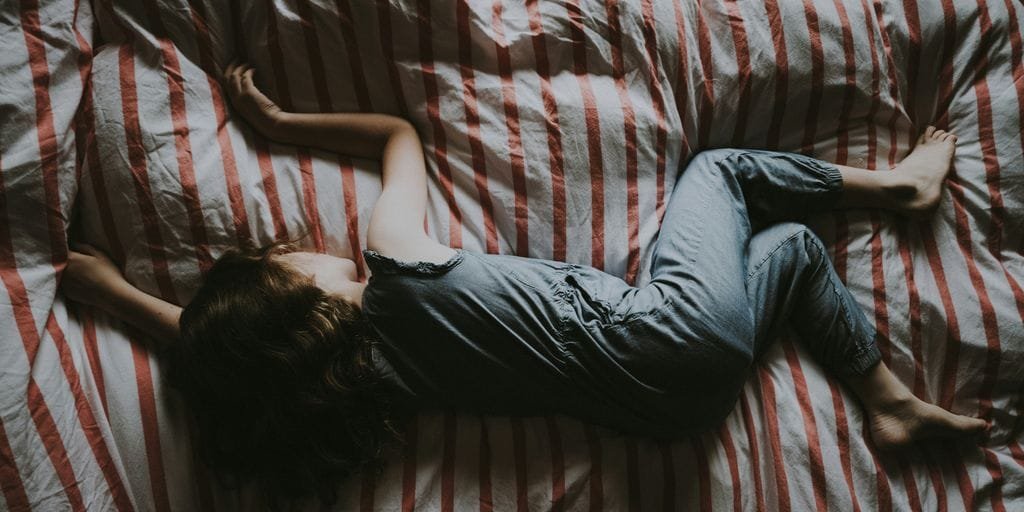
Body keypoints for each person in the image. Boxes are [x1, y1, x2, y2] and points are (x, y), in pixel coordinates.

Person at [62, 62, 988, 503]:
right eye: (282, 261)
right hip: (669, 333)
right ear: (293, 303)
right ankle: (898, 187)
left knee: (791, 250)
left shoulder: (388, 385)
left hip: (675, 407)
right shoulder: (391, 267)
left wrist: (112, 297)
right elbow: (398, 136)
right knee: (719, 173)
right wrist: (281, 120)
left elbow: (225, 352)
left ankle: (890, 401)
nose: (298, 246)